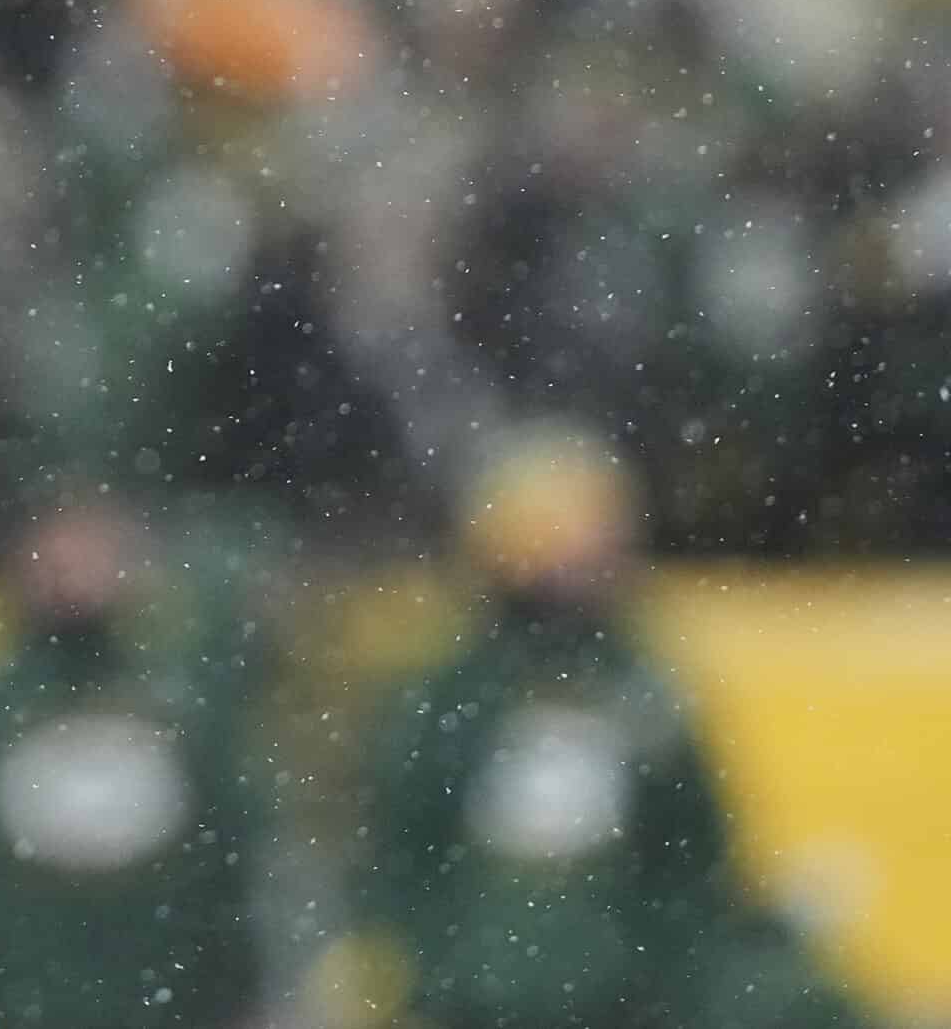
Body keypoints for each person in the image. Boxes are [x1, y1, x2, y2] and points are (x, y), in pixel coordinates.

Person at [349, 433, 868, 1029]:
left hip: (634, 985)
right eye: (564, 530)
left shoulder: (639, 680)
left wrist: (673, 961)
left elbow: (695, 849)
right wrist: (449, 973)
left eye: (599, 529)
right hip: (490, 989)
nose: (589, 551)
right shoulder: (454, 692)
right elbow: (400, 852)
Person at [0, 499, 273, 1028]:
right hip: (18, 1001)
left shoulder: (182, 713)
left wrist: (235, 987)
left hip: (168, 1002)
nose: (73, 570)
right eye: (56, 548)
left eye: (94, 547)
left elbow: (230, 861)